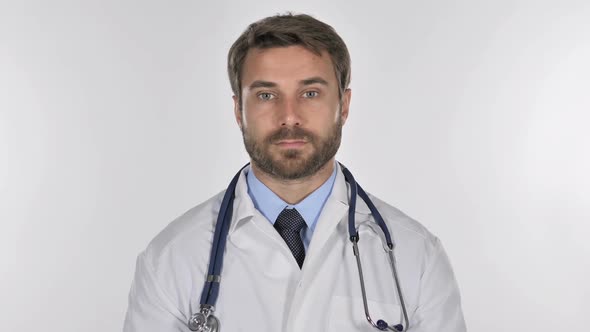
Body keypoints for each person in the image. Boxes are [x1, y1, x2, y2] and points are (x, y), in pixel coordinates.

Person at [123, 13, 466, 332]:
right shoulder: (171, 260)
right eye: (267, 94)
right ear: (238, 110)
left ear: (343, 106)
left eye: (310, 93)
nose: (289, 116)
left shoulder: (416, 256)